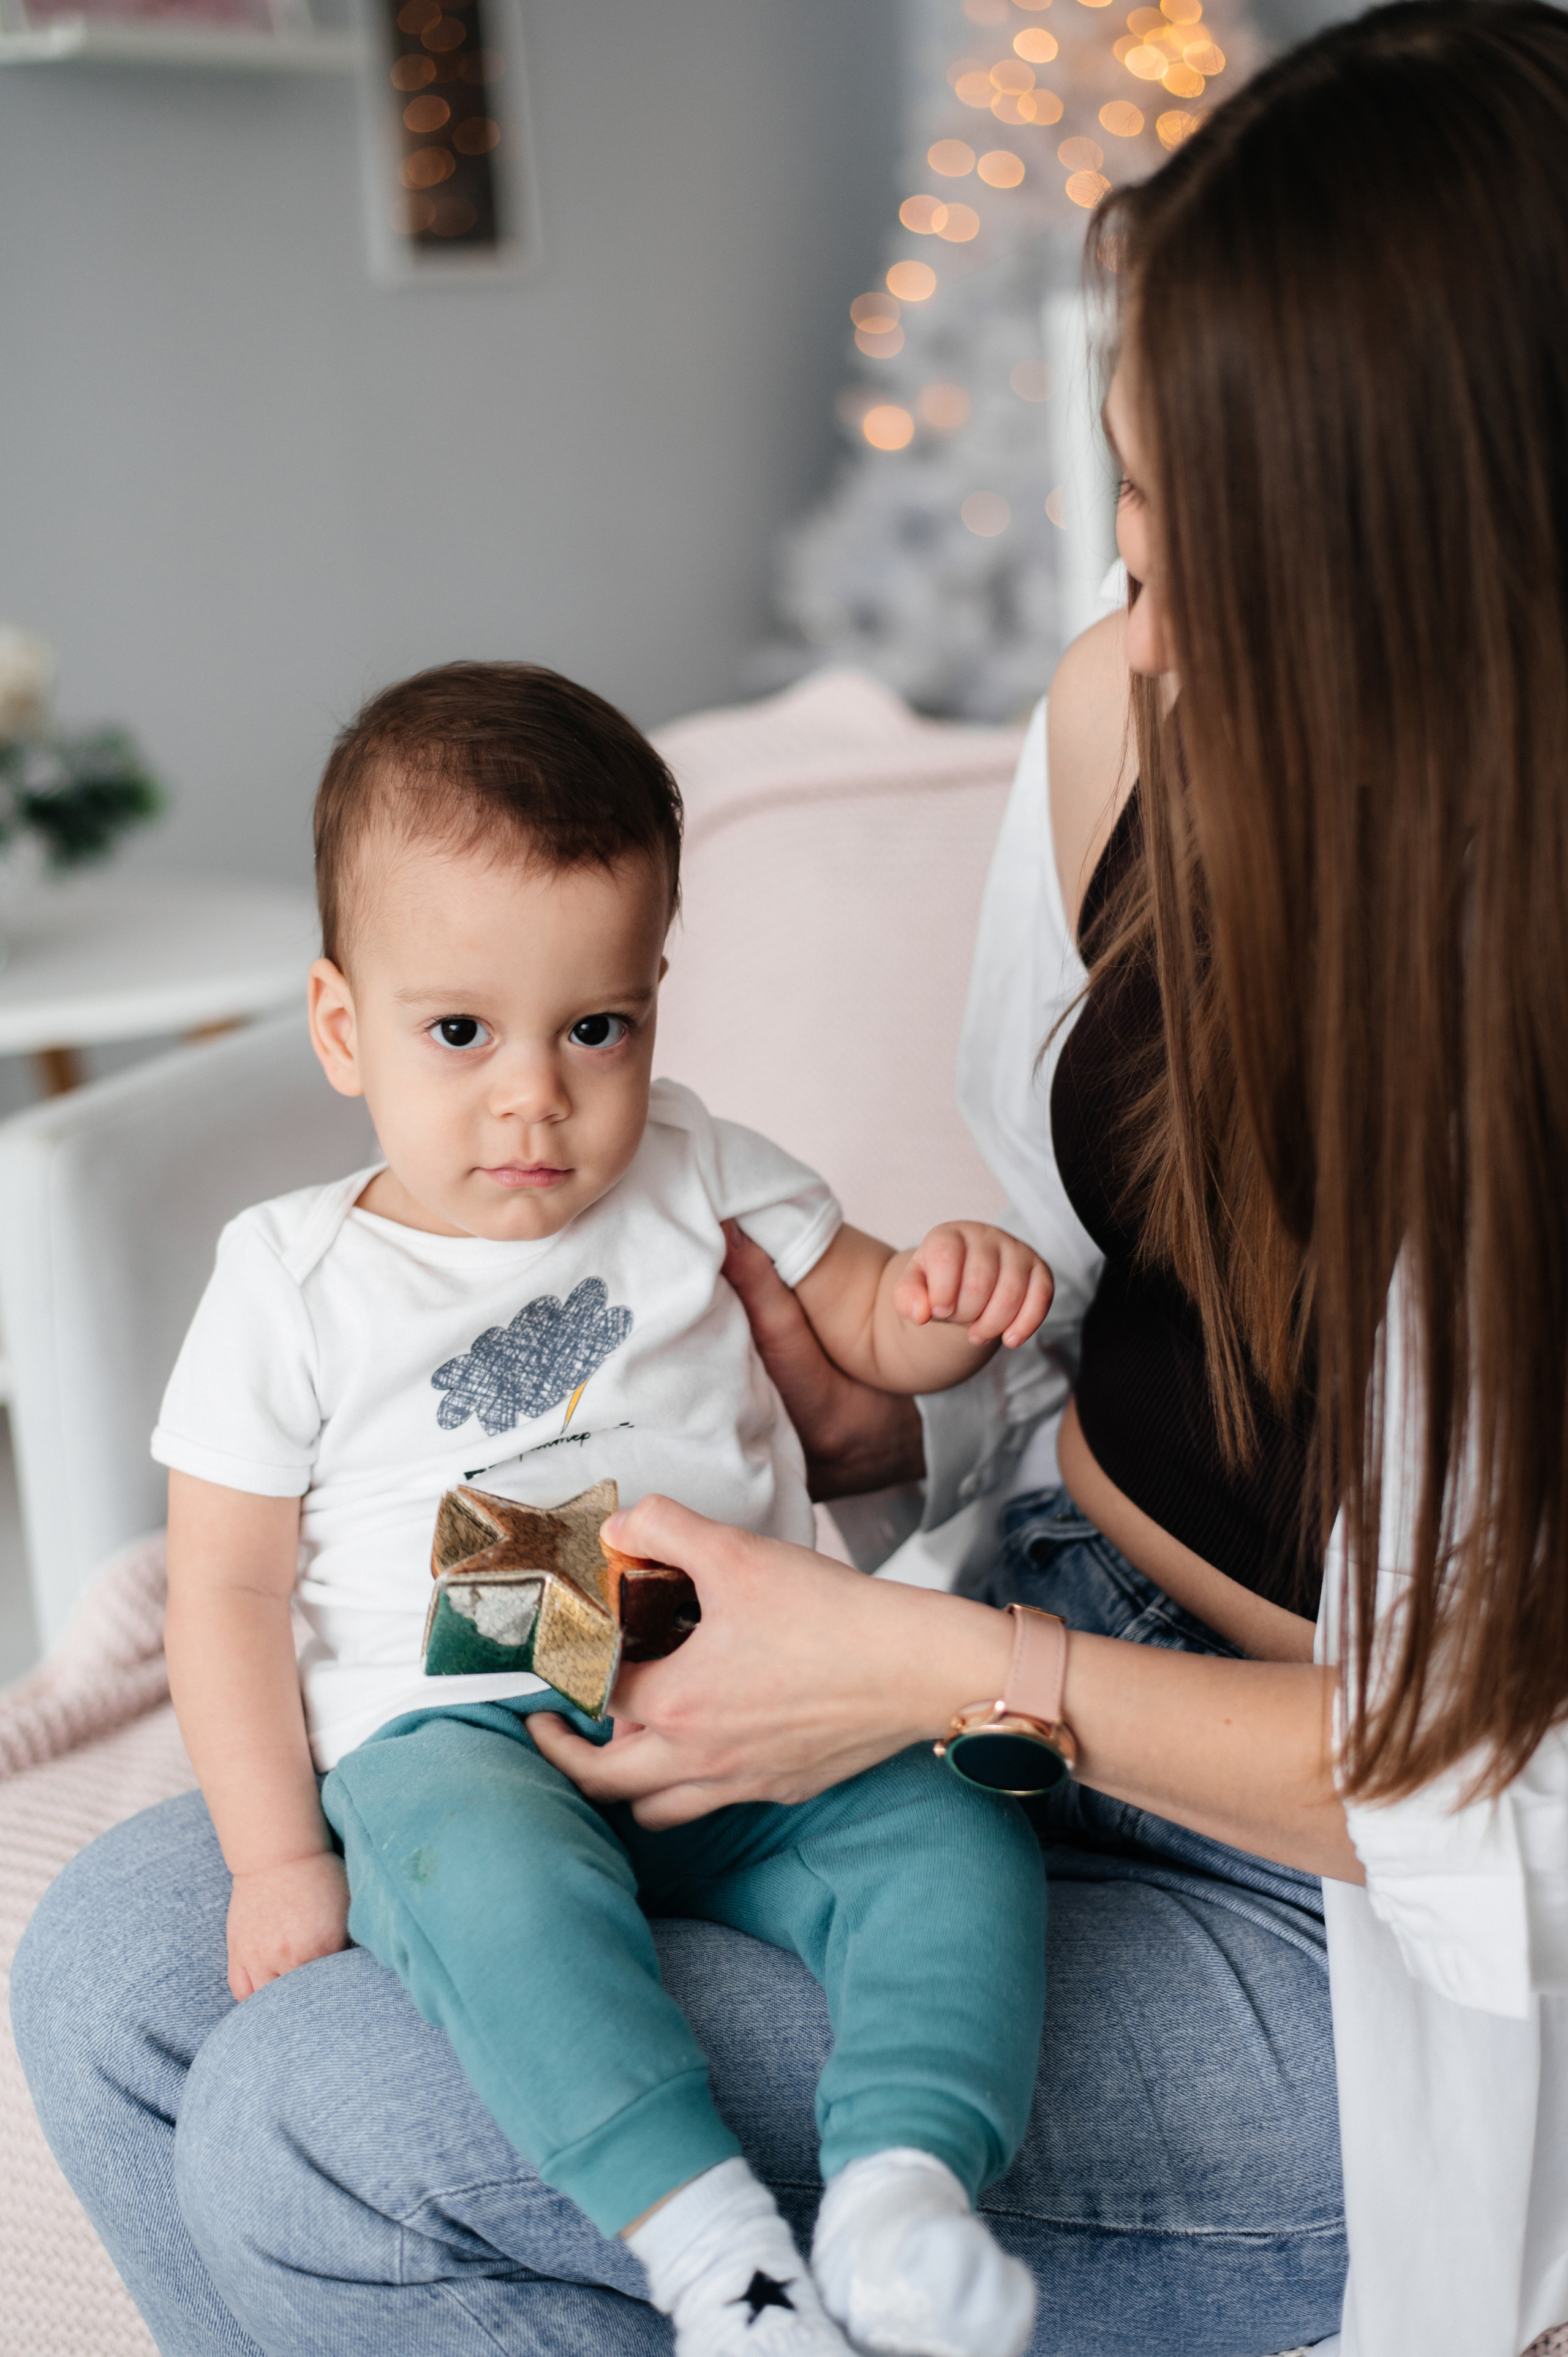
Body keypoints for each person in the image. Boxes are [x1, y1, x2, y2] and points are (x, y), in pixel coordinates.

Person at [12, 4, 1568, 2352]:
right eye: (1129, 524)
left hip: (1350, 1903)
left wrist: (929, 1670)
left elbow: (1507, 1799)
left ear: (1412, 603)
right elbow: (1053, 1294)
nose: (1126, 610)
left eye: (1183, 549)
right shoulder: (1121, 721)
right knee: (124, 1965)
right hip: (1015, 1622)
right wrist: (881, 1420)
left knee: (325, 2109)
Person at [150, 659, 1057, 2357]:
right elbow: (223, 1592)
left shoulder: (695, 1164)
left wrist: (950, 1287)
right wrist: (276, 1854)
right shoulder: (292, 1280)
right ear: (342, 1026)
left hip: (766, 1680)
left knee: (953, 1838)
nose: (535, 1098)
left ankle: (902, 2195)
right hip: (467, 1722)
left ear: (652, 1002)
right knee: (484, 1901)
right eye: (459, 1033)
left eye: (597, 1029)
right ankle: (720, 2255)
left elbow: (864, 1321)